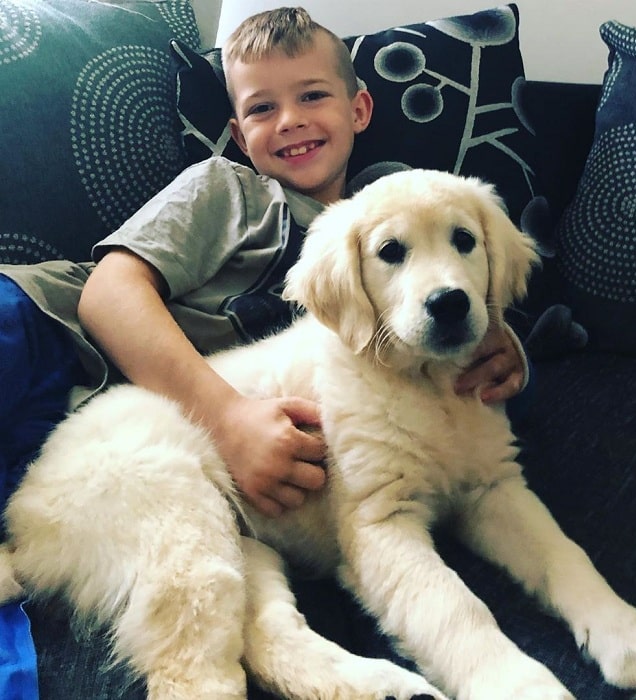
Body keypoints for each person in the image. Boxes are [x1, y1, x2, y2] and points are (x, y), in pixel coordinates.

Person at [0, 7, 528, 694]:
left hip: (116, 427)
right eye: (261, 107)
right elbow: (108, 296)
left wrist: (499, 344)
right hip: (46, 329)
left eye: (312, 95)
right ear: (237, 134)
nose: (290, 120)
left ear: (359, 106)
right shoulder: (228, 190)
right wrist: (226, 419)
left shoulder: (390, 229)